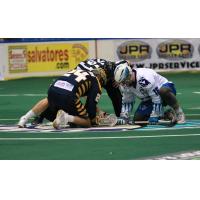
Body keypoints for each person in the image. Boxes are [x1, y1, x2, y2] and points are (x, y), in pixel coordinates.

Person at [31, 58, 126, 125]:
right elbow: (89, 96)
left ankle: (121, 115)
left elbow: (125, 62)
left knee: (115, 93)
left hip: (100, 74)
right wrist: (97, 111)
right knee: (70, 96)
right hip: (90, 74)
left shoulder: (112, 67)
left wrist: (118, 80)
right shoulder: (85, 76)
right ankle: (41, 115)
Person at [18, 68, 107, 128]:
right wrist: (94, 119)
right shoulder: (96, 81)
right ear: (100, 78)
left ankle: (25, 118)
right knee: (87, 122)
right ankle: (66, 117)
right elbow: (90, 107)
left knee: (49, 99)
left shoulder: (76, 70)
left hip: (53, 89)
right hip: (69, 96)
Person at [114, 62, 186, 125]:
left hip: (164, 90)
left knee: (163, 91)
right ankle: (167, 114)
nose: (123, 84)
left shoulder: (144, 78)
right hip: (149, 98)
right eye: (121, 82)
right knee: (138, 119)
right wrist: (124, 116)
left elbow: (156, 96)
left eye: (124, 81)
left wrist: (155, 115)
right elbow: (127, 101)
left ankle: (179, 112)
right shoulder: (125, 84)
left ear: (129, 75)